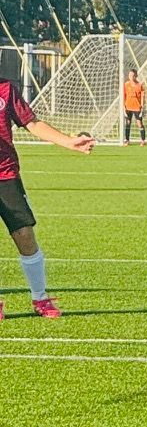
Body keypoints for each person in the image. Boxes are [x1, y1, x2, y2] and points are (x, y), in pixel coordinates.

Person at [0, 77, 94, 320]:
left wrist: (67, 141)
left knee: (24, 235)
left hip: (6, 174)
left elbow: (32, 123)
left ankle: (40, 297)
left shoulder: (6, 89)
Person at [122, 69, 147, 146]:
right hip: (128, 107)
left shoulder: (139, 85)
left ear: (136, 76)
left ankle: (143, 141)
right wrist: (124, 106)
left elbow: (142, 96)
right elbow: (124, 96)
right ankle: (127, 140)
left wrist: (142, 106)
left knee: (139, 123)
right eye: (129, 75)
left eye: (132, 75)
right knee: (128, 123)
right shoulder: (126, 84)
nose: (131, 77)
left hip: (137, 107)